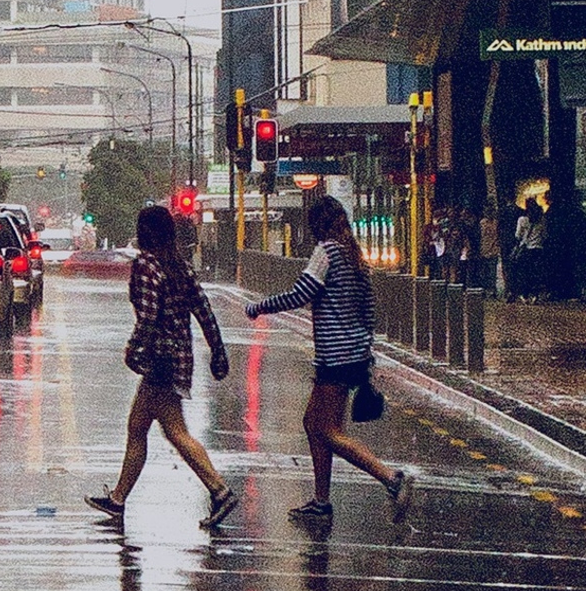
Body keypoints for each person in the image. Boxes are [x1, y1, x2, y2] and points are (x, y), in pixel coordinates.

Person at [246, 196, 418, 524]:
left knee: (327, 429)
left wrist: (260, 307)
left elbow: (301, 293)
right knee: (313, 423)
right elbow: (369, 309)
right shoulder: (354, 256)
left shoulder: (326, 252)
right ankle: (321, 502)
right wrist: (365, 351)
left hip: (335, 357)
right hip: (352, 355)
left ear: (317, 225)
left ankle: (391, 479)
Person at [88, 205, 241, 530]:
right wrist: (217, 349)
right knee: (138, 426)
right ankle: (118, 499)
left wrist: (134, 349)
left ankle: (220, 490)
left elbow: (148, 316)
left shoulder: (146, 265)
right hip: (178, 358)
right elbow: (203, 309)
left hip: (160, 361)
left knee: (175, 431)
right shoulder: (178, 265)